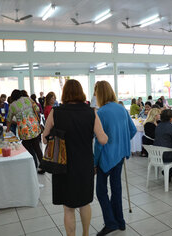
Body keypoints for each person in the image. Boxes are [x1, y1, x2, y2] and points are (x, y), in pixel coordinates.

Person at [43, 80, 108, 236]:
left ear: (64, 93)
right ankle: (86, 234)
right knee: (85, 203)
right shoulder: (90, 112)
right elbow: (103, 139)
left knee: (68, 207)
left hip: (62, 165)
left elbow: (45, 138)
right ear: (81, 93)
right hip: (84, 164)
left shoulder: (55, 112)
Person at [94, 81, 137, 236]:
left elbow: (99, 142)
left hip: (106, 157)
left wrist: (94, 161)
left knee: (101, 191)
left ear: (98, 94)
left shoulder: (101, 113)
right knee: (116, 188)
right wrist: (121, 141)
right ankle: (120, 221)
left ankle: (111, 223)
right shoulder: (121, 108)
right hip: (120, 155)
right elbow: (132, 130)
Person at [6, 90, 44, 174]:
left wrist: (8, 128)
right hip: (34, 127)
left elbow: (9, 118)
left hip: (24, 130)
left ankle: (31, 166)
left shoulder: (12, 105)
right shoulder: (28, 99)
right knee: (37, 147)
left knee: (25, 148)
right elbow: (37, 109)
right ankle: (41, 166)